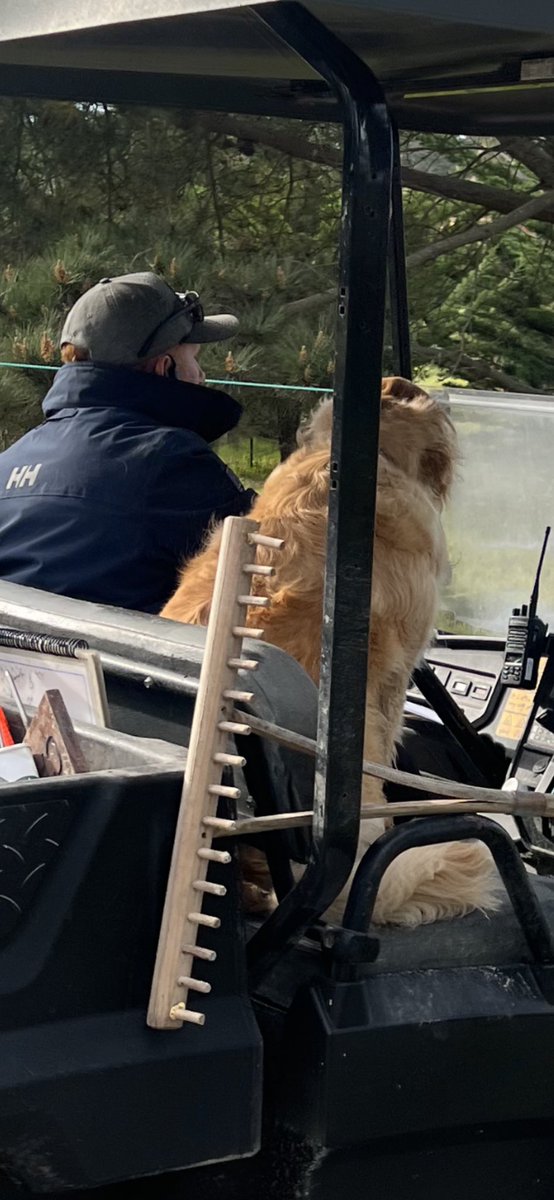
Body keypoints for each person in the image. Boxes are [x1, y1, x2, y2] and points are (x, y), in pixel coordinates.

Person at [0, 272, 256, 612]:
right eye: (194, 359)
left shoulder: (11, 460)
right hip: (129, 665)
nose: (201, 376)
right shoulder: (173, 462)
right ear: (164, 369)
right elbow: (270, 563)